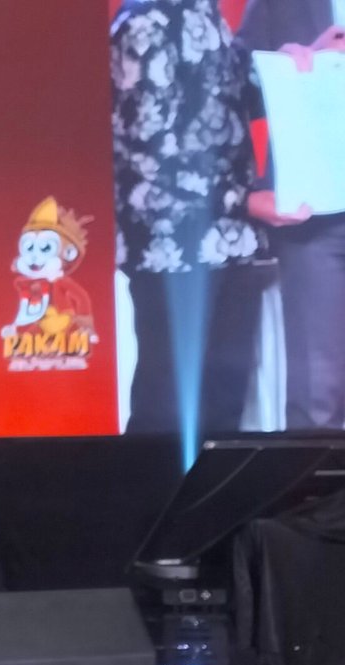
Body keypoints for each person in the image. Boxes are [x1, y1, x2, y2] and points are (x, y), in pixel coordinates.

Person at [111, 0, 266, 435]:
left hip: (234, 243)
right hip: (171, 249)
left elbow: (250, 92)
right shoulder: (143, 24)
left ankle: (215, 484)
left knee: (226, 403)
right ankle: (151, 483)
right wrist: (243, 201)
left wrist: (307, 60)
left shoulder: (210, 16)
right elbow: (149, 150)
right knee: (167, 407)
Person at [236, 2, 345, 430]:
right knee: (317, 399)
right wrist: (285, 70)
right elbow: (232, 86)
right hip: (313, 215)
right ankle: (315, 478)